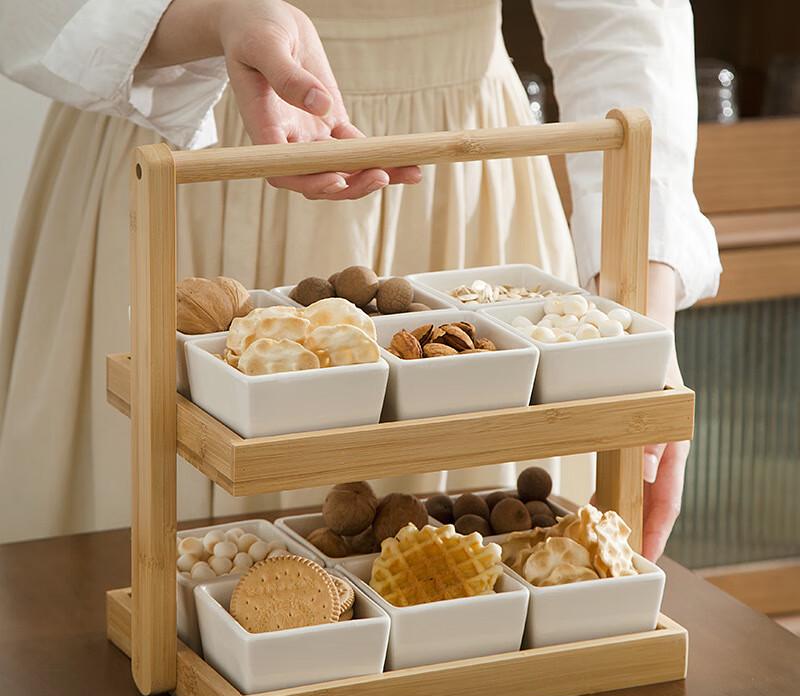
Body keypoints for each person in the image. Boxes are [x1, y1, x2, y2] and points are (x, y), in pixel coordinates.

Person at [0, 0, 720, 559]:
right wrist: (211, 15)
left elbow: (623, 19)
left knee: (475, 639)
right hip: (180, 145)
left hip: (460, 179)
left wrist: (638, 306)